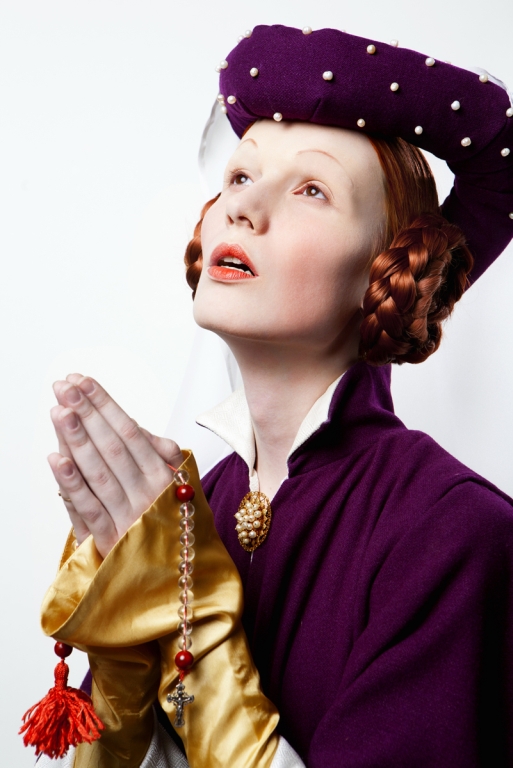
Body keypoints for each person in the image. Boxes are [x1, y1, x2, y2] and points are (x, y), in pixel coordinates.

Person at [32, 24, 513, 768]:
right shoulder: (190, 503)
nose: (242, 208)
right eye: (238, 177)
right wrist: (126, 630)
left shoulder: (455, 533)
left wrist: (189, 614)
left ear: (389, 270)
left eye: (311, 189)